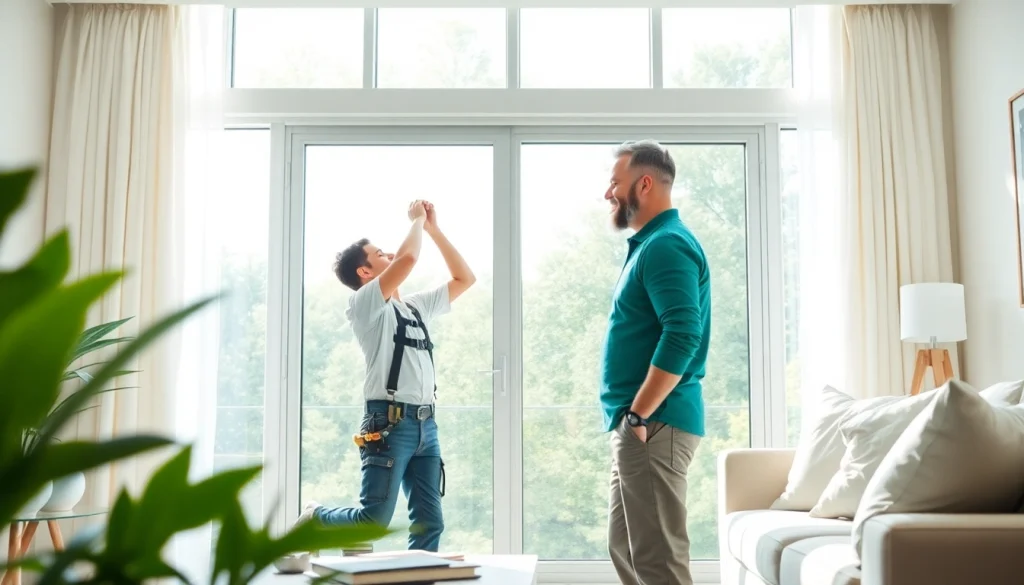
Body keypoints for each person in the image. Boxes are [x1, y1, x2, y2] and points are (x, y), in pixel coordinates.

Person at [297, 199, 475, 553]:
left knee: (430, 521)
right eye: (380, 254)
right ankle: (317, 518)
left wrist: (433, 230)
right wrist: (416, 219)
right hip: (389, 423)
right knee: (374, 519)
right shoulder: (364, 305)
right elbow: (408, 259)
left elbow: (464, 278)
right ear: (365, 273)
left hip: (427, 425)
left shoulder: (414, 307)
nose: (391, 254)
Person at [600, 140, 711, 585]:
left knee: (658, 562)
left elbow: (684, 333)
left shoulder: (666, 245)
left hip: (654, 423)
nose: (608, 193)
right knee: (628, 550)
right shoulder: (651, 244)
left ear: (643, 184)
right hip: (641, 425)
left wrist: (639, 413)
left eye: (614, 183)